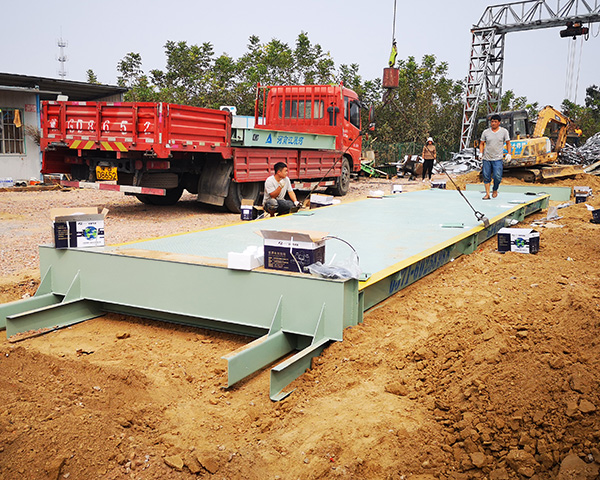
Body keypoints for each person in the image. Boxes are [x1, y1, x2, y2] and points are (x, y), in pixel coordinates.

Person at [479, 114, 511, 200]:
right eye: (492, 121)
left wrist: (509, 153)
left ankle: (495, 189)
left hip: (497, 158)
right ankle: (487, 194)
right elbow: (482, 143)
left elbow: (508, 143)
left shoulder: (504, 132)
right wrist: (481, 153)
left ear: (499, 123)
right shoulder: (486, 132)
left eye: (495, 122)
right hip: (487, 158)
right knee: (486, 176)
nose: (493, 123)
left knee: (497, 176)